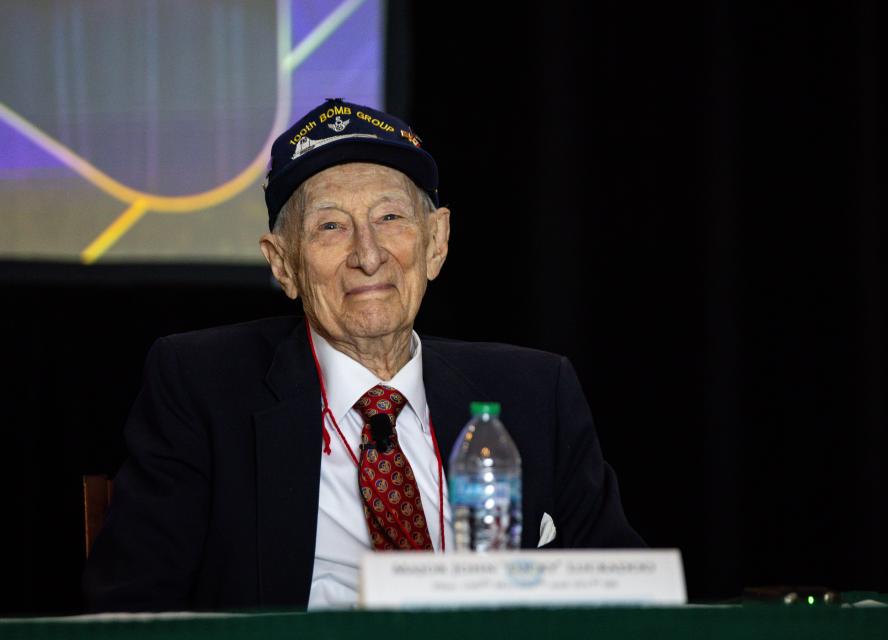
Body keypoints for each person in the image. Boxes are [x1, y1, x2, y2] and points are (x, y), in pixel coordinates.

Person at [82, 98, 644, 612]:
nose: (369, 256)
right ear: (283, 265)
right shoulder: (202, 387)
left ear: (436, 243)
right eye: (331, 226)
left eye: (390, 218)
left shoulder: (534, 392)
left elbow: (631, 599)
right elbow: (130, 611)